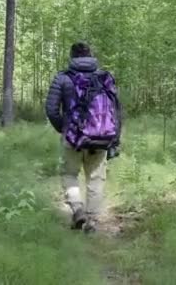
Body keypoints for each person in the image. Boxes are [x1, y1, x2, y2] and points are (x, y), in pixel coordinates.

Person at [45, 41, 121, 232]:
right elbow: (116, 111)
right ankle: (92, 222)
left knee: (69, 174)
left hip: (73, 138)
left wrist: (64, 128)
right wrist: (114, 138)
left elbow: (51, 109)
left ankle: (77, 209)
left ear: (72, 57)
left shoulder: (62, 78)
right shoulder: (104, 77)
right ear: (91, 55)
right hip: (101, 138)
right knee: (96, 179)